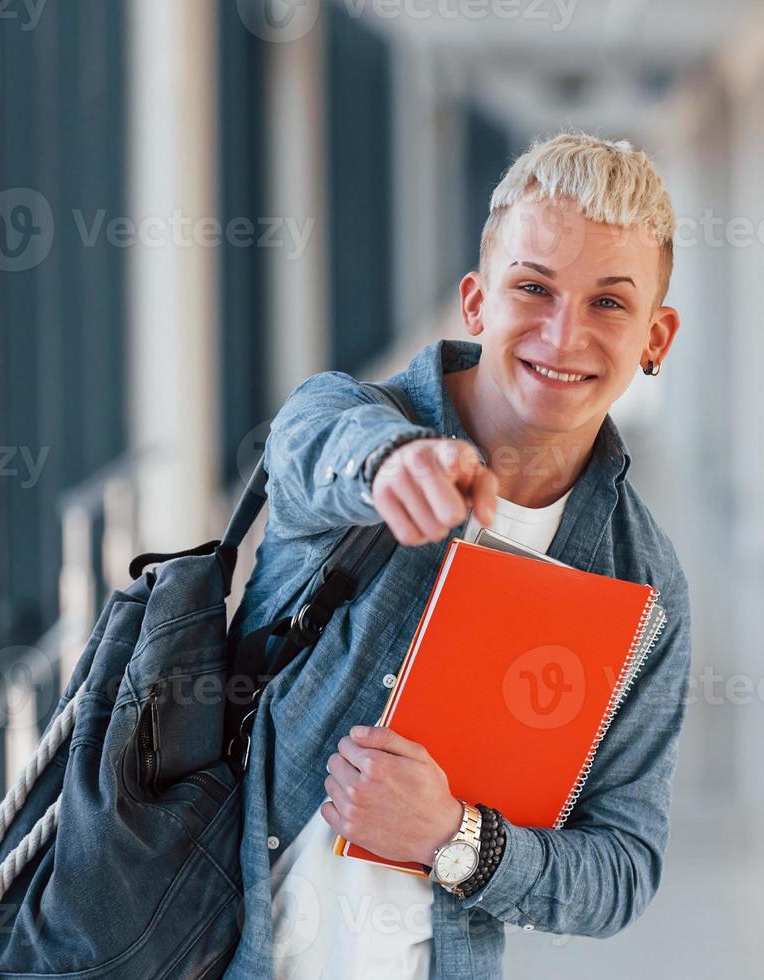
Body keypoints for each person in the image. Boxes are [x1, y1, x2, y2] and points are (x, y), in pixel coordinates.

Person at [220, 132, 692, 980]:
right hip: (217, 950)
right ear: (475, 303)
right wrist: (396, 464)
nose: (564, 333)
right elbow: (307, 443)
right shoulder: (357, 422)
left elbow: (623, 868)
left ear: (657, 336)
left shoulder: (641, 582)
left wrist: (453, 839)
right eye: (533, 288)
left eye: (609, 304)